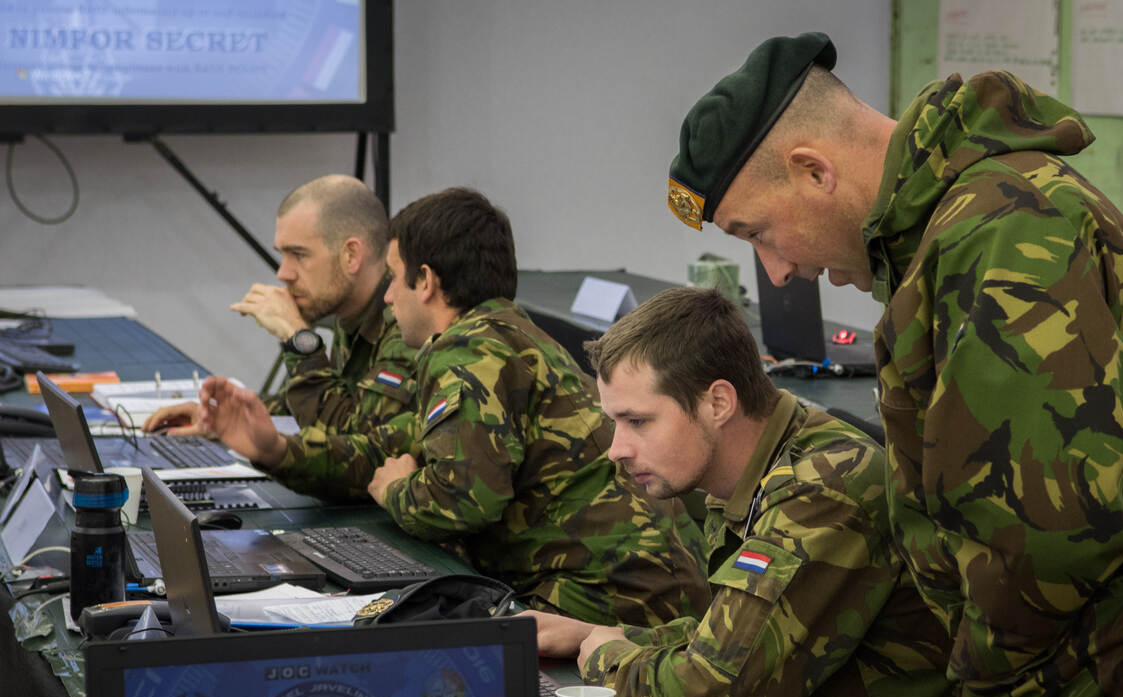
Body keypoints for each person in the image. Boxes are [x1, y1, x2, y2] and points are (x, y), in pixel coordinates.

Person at [662, 32, 1123, 697]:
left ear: (813, 170)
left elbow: (1044, 537)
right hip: (1097, 696)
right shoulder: (960, 227)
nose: (778, 271)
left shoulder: (993, 234)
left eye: (757, 232)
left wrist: (973, 665)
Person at [527, 287, 967, 697]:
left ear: (718, 403)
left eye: (637, 421)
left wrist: (603, 658)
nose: (617, 448)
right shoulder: (756, 473)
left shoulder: (823, 492)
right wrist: (597, 633)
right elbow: (727, 640)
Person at [192, 187, 711, 629]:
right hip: (643, 583)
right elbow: (390, 443)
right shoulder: (502, 335)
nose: (388, 298)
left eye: (394, 277)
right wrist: (276, 449)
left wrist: (396, 490)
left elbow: (461, 501)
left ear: (426, 281)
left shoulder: (468, 352)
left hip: (611, 597)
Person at [143, 174, 419, 436]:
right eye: (283, 255)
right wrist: (221, 417)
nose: (283, 273)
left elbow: (354, 442)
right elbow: (309, 406)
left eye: (299, 254)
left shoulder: (406, 321)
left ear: (351, 255)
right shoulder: (350, 309)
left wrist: (299, 340)